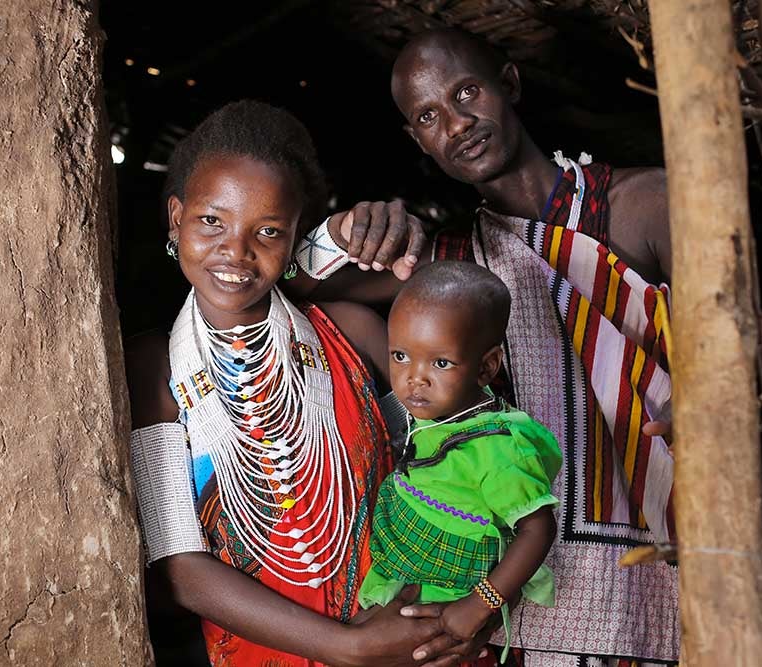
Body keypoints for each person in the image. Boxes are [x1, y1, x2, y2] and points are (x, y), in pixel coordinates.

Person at [284, 29, 679, 666]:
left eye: (466, 92)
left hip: (665, 567)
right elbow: (284, 281)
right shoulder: (448, 267)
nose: (458, 123)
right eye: (429, 116)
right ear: (417, 140)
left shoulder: (640, 206)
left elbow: (751, 344)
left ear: (510, 84)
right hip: (522, 606)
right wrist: (343, 231)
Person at [124, 100, 477, 667]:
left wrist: (447, 611)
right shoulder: (154, 370)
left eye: (268, 231)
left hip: (408, 633)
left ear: (294, 240)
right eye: (211, 220)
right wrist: (346, 646)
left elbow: (452, 473)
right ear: (175, 218)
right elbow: (179, 567)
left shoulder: (354, 334)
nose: (235, 251)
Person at [357, 262, 561, 667]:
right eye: (400, 355)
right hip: (411, 572)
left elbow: (538, 529)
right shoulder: (436, 410)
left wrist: (478, 606)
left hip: (447, 598)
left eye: (441, 363)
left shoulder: (498, 450)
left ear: (486, 367)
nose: (415, 378)